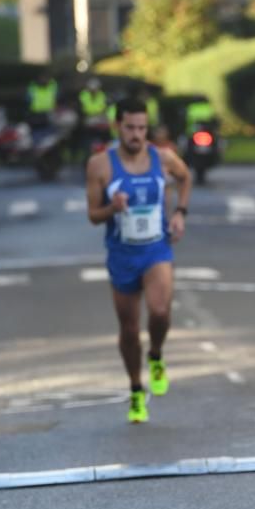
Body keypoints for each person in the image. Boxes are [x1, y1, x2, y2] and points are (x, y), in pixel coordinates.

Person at [85, 98, 193, 423]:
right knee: (129, 329)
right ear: (118, 127)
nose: (137, 135)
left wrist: (179, 214)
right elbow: (92, 215)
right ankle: (135, 390)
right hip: (122, 254)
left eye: (142, 128)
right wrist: (111, 208)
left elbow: (185, 179)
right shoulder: (100, 165)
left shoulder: (163, 158)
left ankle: (156, 355)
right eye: (130, 128)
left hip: (156, 248)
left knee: (160, 312)